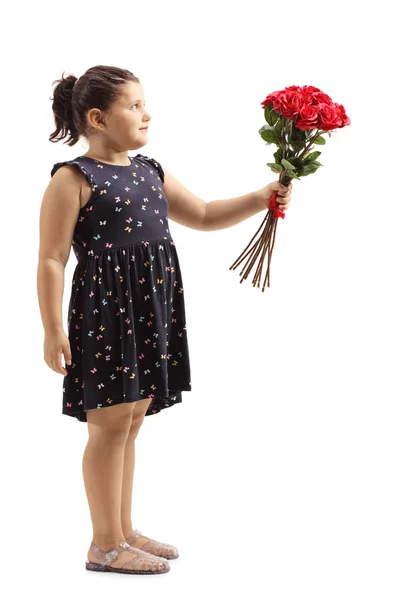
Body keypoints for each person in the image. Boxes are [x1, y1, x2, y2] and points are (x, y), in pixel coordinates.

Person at [37, 64, 292, 576]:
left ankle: (123, 529)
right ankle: (103, 544)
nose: (146, 113)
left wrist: (260, 196)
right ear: (97, 117)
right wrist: (52, 329)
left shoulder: (149, 170)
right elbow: (51, 258)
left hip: (150, 310)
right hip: (107, 315)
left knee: (130, 422)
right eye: (133, 106)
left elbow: (200, 212)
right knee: (108, 426)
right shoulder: (73, 179)